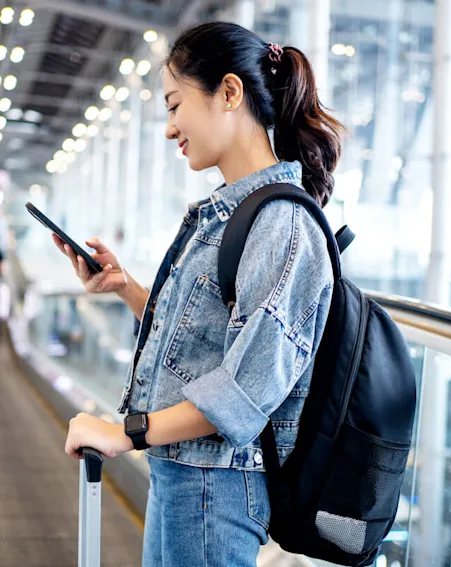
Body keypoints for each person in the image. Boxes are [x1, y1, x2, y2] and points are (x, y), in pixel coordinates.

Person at [56, 22, 343, 566]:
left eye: (174, 105)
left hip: (217, 489)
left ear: (229, 93)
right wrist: (125, 288)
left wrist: (128, 432)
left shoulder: (280, 223)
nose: (170, 129)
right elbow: (200, 339)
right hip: (186, 475)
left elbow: (245, 390)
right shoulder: (232, 213)